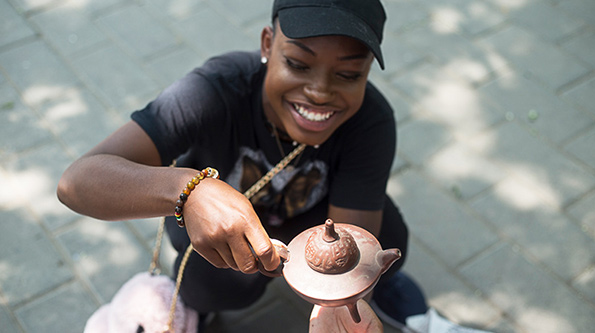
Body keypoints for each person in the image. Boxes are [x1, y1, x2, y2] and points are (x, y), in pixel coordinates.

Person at [57, 0, 427, 331]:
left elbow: (350, 247)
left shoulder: (371, 122)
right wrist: (187, 191)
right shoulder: (216, 90)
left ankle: (378, 295)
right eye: (298, 64)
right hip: (214, 221)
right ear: (268, 44)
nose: (319, 91)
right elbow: (76, 183)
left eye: (348, 75)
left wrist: (343, 298)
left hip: (313, 219)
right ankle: (198, 309)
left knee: (383, 246)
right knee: (208, 288)